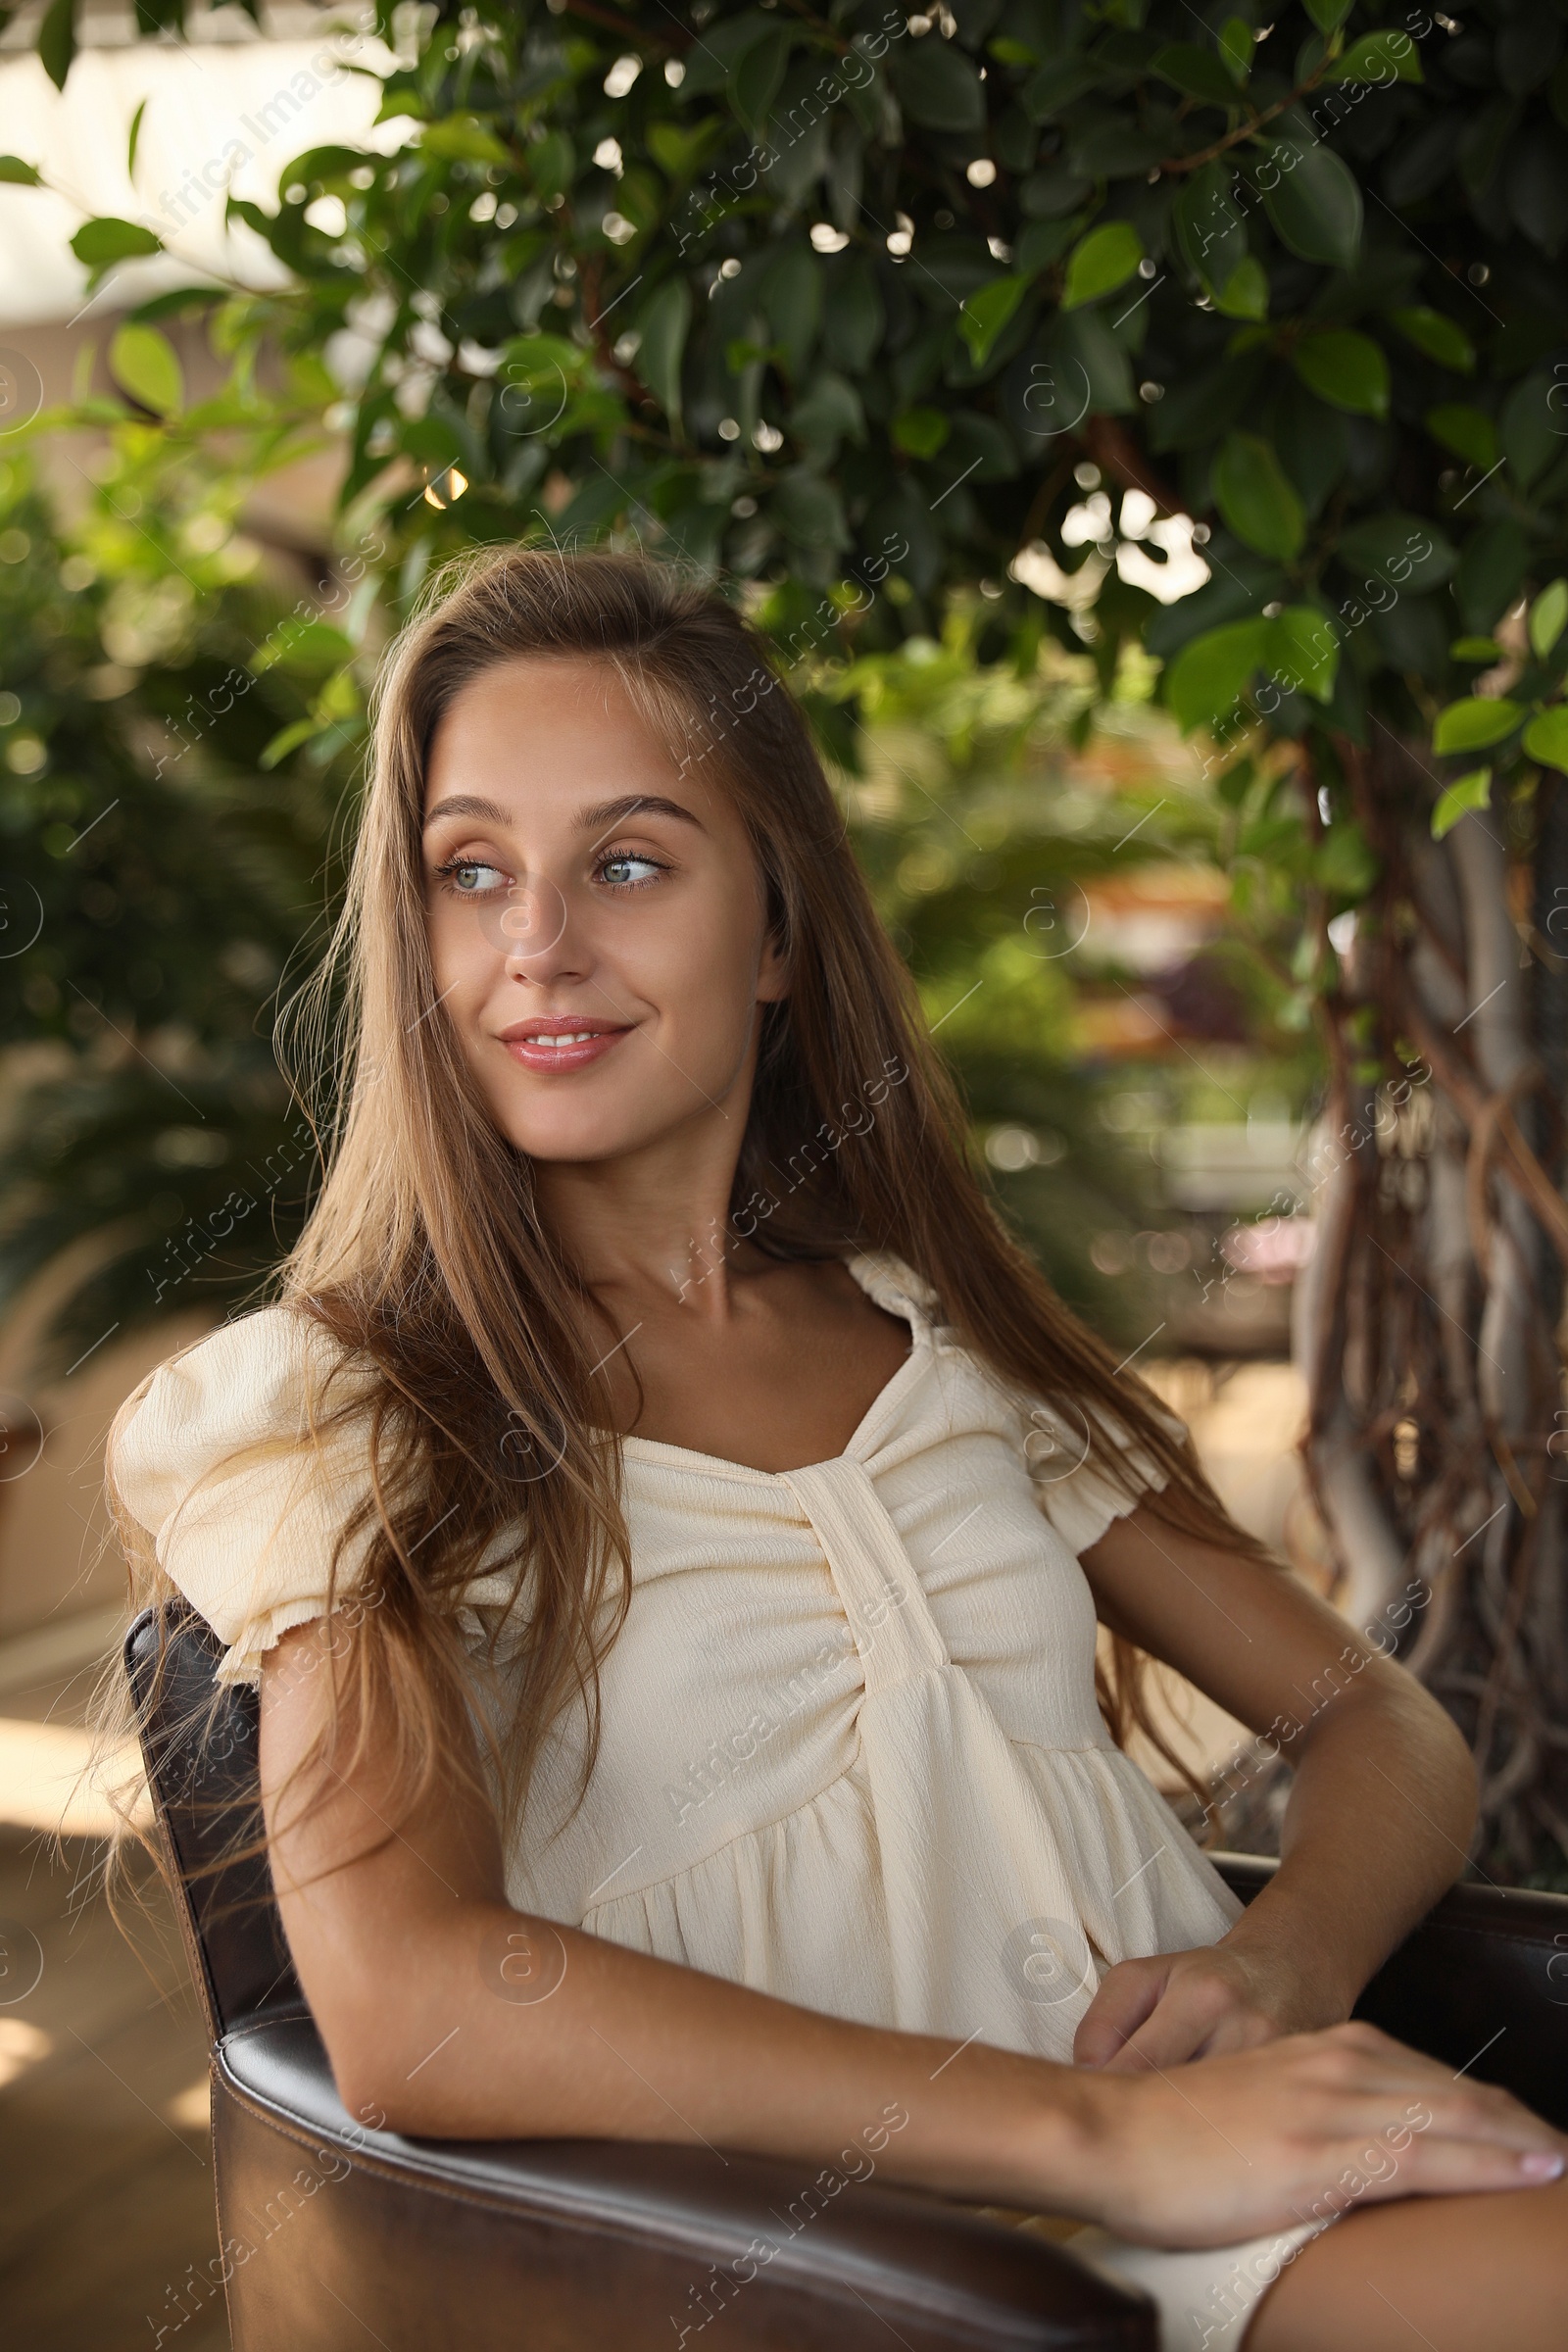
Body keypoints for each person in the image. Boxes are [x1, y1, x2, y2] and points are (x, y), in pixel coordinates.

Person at [107, 551, 1566, 2351]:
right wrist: (1099, 2139)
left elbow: (1375, 1717)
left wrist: (1282, 1970)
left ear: (782, 930)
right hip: (833, 2275)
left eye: (627, 863)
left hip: (1225, 2193)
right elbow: (415, 2002)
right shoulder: (347, 1407)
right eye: (469, 873)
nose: (538, 942)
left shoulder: (950, 1341)